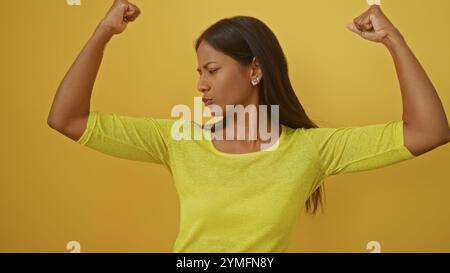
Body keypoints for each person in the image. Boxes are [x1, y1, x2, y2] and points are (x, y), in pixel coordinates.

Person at [47, 0, 449, 252]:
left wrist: (393, 40)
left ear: (254, 68)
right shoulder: (178, 141)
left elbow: (428, 132)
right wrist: (103, 33)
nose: (200, 83)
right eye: (199, 71)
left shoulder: (310, 149)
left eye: (213, 69)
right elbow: (68, 119)